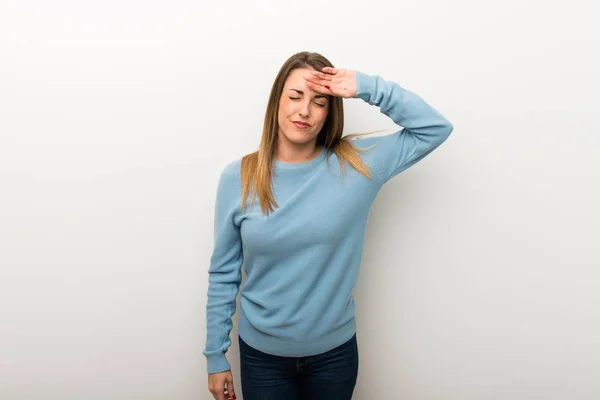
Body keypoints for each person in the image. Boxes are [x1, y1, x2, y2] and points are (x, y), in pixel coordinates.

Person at [203, 51, 454, 400]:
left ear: (329, 112)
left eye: (319, 102)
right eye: (294, 96)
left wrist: (365, 87)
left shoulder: (357, 166)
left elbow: (434, 128)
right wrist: (215, 356)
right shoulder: (240, 177)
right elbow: (223, 273)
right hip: (262, 359)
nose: (304, 110)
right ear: (276, 101)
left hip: (333, 358)